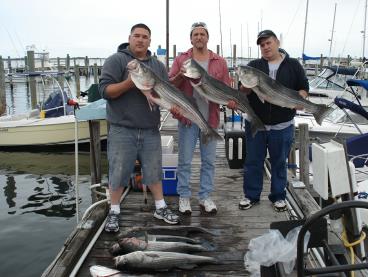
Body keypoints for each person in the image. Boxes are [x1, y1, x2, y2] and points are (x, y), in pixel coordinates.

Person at [99, 23, 179, 233]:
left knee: (154, 171)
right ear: (130, 38)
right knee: (117, 172)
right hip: (122, 128)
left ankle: (160, 207)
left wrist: (176, 107)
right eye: (137, 36)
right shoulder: (116, 60)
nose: (141, 40)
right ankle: (114, 211)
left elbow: (164, 91)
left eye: (145, 37)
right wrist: (131, 82)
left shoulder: (158, 65)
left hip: (151, 128)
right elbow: (105, 91)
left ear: (150, 41)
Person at [238, 30, 309, 212]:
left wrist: (300, 100)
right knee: (253, 161)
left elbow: (303, 87)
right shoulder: (254, 66)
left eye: (268, 43)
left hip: (282, 125)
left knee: (279, 162)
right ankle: (251, 196)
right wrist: (245, 86)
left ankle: (278, 196)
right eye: (262, 45)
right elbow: (243, 91)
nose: (265, 47)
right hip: (256, 123)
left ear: (277, 42)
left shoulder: (293, 65)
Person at [169, 22, 234, 215]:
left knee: (209, 161)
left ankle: (205, 196)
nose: (199, 37)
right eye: (195, 34)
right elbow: (170, 83)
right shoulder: (182, 59)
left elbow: (226, 87)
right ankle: (184, 197)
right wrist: (181, 75)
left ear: (207, 37)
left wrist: (230, 101)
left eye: (202, 34)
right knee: (185, 161)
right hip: (188, 118)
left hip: (211, 118)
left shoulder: (219, 61)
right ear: (191, 38)